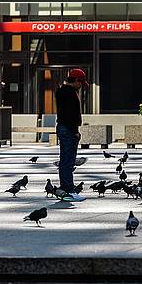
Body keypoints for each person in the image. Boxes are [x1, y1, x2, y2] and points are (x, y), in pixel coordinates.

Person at [54, 68, 88, 202]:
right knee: (68, 160)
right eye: (81, 83)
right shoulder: (70, 93)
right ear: (76, 80)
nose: (81, 86)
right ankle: (68, 189)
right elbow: (70, 115)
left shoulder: (61, 91)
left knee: (65, 160)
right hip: (68, 129)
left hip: (63, 128)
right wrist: (75, 131)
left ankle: (66, 188)